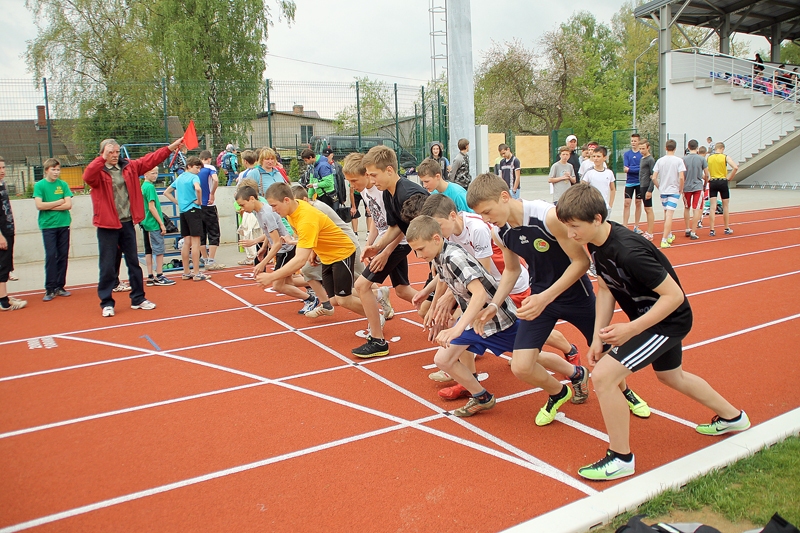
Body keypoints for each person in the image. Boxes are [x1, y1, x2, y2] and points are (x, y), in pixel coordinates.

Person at [555, 182, 750, 481]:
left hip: (667, 320)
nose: (570, 235)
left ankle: (621, 457)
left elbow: (675, 297)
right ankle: (733, 417)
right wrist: (596, 337)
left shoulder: (629, 251)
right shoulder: (596, 241)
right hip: (651, 319)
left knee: (605, 376)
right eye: (566, 227)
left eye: (574, 227)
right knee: (671, 376)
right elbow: (605, 287)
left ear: (597, 218)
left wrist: (631, 329)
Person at [467, 173, 649, 426]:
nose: (486, 219)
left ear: (504, 197)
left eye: (487, 211)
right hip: (540, 298)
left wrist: (545, 297)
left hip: (576, 295)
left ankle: (626, 392)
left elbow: (582, 262)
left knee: (605, 352)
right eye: (481, 215)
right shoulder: (500, 232)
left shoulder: (548, 216)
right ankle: (558, 392)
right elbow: (512, 270)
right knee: (521, 366)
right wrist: (495, 304)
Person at [418, 194, 582, 399]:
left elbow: (481, 271)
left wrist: (452, 301)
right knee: (464, 330)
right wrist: (432, 299)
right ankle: (472, 382)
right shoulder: (445, 236)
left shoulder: (476, 229)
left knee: (530, 345)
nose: (437, 232)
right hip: (488, 292)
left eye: (439, 225)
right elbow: (449, 274)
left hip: (510, 286)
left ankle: (570, 350)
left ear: (452, 216)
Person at [406, 215, 522, 417]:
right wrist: (432, 306)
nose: (417, 255)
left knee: (530, 360)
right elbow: (443, 278)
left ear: (436, 238)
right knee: (443, 359)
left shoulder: (454, 257)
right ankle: (482, 397)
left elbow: (480, 294)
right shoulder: (439, 255)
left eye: (420, 249)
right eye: (414, 251)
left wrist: (456, 328)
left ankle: (575, 372)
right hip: (476, 321)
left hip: (496, 319)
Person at [83, 138, 181, 316]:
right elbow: (87, 176)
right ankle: (106, 302)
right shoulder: (98, 171)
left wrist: (170, 147)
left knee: (133, 263)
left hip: (127, 222)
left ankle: (138, 298)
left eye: (116, 151)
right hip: (106, 225)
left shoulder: (129, 167)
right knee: (107, 266)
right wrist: (101, 159)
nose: (114, 155)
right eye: (110, 152)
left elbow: (151, 159)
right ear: (103, 153)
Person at [356, 146, 427, 358]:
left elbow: (432, 228)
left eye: (374, 175)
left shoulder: (407, 193)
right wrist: (376, 246)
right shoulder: (389, 193)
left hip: (441, 250)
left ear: (389, 170)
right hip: (429, 251)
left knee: (361, 285)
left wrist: (385, 252)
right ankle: (464, 340)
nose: (372, 179)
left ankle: (377, 339)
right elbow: (396, 226)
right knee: (404, 290)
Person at [260, 182, 365, 324]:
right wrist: (313, 251)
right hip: (326, 255)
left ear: (286, 200)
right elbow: (312, 235)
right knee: (334, 297)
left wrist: (271, 276)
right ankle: (333, 304)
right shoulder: (292, 210)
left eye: (274, 205)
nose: (273, 210)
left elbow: (299, 260)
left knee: (343, 299)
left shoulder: (306, 218)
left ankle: (376, 316)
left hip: (341, 252)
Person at [290, 184, 366, 317]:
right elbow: (316, 235)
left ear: (304, 199)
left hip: (346, 244)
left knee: (361, 280)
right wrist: (314, 251)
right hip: (329, 250)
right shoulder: (298, 213)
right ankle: (327, 304)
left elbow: (321, 232)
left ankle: (379, 297)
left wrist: (273, 276)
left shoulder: (315, 209)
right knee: (308, 271)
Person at [235, 186, 313, 307]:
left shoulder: (266, 213)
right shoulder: (259, 211)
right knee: (289, 281)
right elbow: (269, 233)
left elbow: (277, 243)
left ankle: (311, 299)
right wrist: (263, 248)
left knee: (277, 285)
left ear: (251, 199)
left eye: (243, 205)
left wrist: (263, 263)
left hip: (285, 249)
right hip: (283, 248)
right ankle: (314, 283)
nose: (242, 209)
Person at [164, 156, 210, 282]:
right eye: (197, 167)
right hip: (193, 210)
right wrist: (199, 201)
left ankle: (186, 272)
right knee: (196, 242)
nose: (198, 170)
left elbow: (166, 192)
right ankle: (196, 273)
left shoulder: (179, 178)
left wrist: (177, 202)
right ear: (189, 166)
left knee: (186, 242)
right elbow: (198, 188)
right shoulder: (194, 177)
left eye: (199, 168)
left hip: (183, 212)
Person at [34, 158, 73, 301]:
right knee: (51, 255)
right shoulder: (40, 186)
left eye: (58, 169)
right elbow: (39, 205)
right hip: (48, 226)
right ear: (46, 170)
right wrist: (59, 202)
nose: (56, 172)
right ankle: (49, 288)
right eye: (53, 169)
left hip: (63, 224)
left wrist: (49, 205)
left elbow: (68, 205)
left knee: (63, 255)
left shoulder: (63, 185)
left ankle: (60, 286)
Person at [140, 167, 175, 287]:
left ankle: (150, 275)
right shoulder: (149, 187)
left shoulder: (144, 186)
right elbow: (151, 207)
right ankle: (159, 274)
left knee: (149, 250)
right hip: (152, 223)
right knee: (159, 249)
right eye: (153, 173)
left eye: (157, 173)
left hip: (146, 222)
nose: (155, 175)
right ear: (145, 173)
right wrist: (161, 223)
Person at [0, 156, 26, 311]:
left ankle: (3, 295)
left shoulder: (2, 185)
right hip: (2, 233)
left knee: (6, 264)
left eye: (3, 168)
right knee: (3, 265)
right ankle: (4, 302)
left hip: (8, 229)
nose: (2, 171)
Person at [652, 139, 686, 248]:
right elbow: (681, 177)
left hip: (664, 190)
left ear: (666, 148)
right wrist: (681, 189)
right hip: (673, 190)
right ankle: (664, 239)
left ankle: (669, 234)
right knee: (669, 214)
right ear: (675, 148)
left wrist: (659, 186)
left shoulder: (660, 161)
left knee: (666, 213)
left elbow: (653, 177)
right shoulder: (678, 161)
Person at [197, 150, 224, 271]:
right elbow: (216, 179)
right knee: (213, 231)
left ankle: (205, 258)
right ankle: (211, 261)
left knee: (201, 233)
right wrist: (212, 193)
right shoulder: (209, 167)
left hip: (197, 205)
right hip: (208, 204)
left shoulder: (194, 170)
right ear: (208, 159)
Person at [707, 142, 738, 236]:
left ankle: (712, 229)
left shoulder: (709, 158)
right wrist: (729, 178)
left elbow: (704, 169)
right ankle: (726, 228)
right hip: (723, 181)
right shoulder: (725, 157)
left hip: (712, 181)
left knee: (712, 207)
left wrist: (708, 177)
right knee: (725, 206)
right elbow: (735, 167)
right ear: (722, 148)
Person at [682, 140, 708, 240]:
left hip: (686, 186)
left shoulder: (683, 159)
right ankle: (693, 231)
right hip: (697, 186)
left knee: (686, 207)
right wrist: (705, 184)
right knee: (697, 208)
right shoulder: (701, 159)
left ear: (688, 148)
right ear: (697, 148)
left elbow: (681, 174)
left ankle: (687, 228)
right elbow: (706, 174)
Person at [581, 146, 616, 215]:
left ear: (604, 158)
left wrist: (610, 205)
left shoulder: (609, 173)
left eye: (598, 156)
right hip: (591, 206)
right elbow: (582, 188)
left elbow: (612, 189)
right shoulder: (589, 172)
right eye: (594, 156)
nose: (595, 159)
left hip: (604, 206)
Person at [622, 134, 644, 234]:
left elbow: (641, 169)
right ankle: (625, 226)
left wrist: (631, 169)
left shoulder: (642, 154)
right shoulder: (627, 154)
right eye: (632, 141)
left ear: (638, 142)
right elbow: (625, 168)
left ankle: (636, 226)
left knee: (638, 203)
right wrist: (632, 169)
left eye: (635, 141)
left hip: (639, 182)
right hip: (629, 182)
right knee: (627, 203)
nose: (633, 143)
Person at [638, 141, 656, 241]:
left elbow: (654, 175)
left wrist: (650, 190)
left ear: (648, 148)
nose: (641, 150)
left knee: (649, 209)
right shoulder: (642, 158)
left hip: (646, 187)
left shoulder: (650, 160)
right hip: (642, 185)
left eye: (643, 148)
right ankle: (649, 231)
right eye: (640, 148)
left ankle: (650, 233)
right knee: (646, 209)